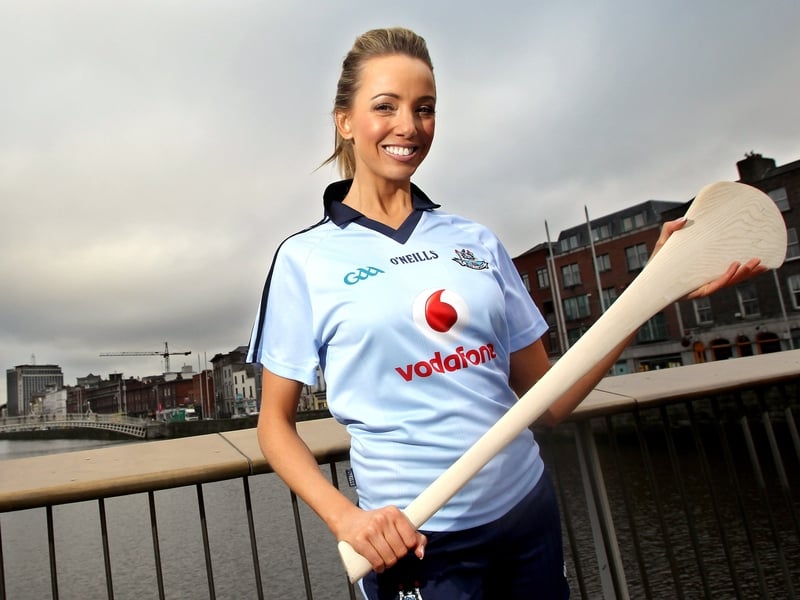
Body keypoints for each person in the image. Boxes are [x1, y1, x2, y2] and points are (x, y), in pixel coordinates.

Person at [246, 27, 765, 599]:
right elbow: (274, 426)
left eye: (425, 109)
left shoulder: (477, 241)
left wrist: (653, 289)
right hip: (414, 542)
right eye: (385, 106)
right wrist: (347, 520)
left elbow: (551, 399)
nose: (409, 127)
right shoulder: (305, 260)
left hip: (527, 517)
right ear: (345, 120)